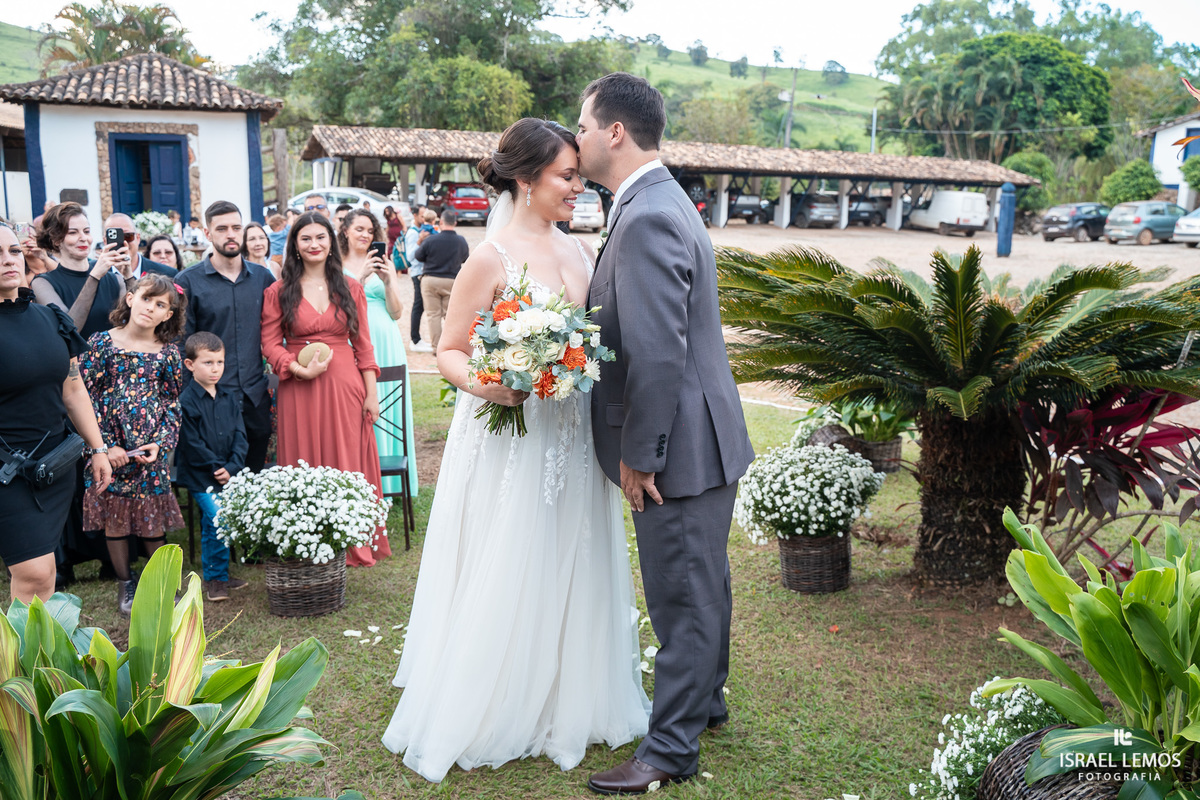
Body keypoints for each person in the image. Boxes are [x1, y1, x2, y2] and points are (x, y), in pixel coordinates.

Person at [381, 117, 650, 782]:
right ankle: (496, 697)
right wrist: (489, 384)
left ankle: (570, 696)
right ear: (527, 181)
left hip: (571, 430)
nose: (580, 190)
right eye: (567, 177)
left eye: (582, 178)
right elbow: (446, 350)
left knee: (572, 552)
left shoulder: (584, 253)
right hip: (511, 434)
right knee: (513, 552)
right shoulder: (489, 257)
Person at [576, 73, 755, 795]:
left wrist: (641, 455)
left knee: (681, 594)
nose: (578, 136)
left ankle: (670, 749)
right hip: (705, 433)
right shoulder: (660, 197)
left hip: (676, 442)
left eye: (584, 125)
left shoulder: (647, 213)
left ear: (615, 131)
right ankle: (704, 702)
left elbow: (657, 351)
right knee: (703, 581)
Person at [260, 212, 390, 567]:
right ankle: (308, 539)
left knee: (347, 460)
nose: (314, 244)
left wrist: (371, 394)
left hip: (345, 384)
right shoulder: (278, 291)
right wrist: (295, 368)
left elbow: (364, 347)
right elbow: (270, 344)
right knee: (303, 460)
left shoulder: (351, 288)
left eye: (320, 237)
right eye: (306, 239)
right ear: (295, 246)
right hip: (298, 387)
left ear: (331, 241)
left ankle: (350, 540)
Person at [0, 223, 112, 603]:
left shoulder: (50, 320)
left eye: (13, 251)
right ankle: (20, 661)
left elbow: (73, 387)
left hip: (54, 465)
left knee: (43, 575)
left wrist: (98, 449)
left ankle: (32, 659)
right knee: (34, 572)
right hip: (6, 471)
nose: (7, 260)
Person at [81, 273, 187, 614]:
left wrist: (160, 443)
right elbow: (86, 398)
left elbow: (172, 403)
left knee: (152, 523)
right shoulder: (100, 344)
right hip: (109, 452)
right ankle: (126, 584)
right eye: (146, 299)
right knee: (116, 521)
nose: (150, 308)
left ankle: (161, 584)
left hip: (149, 454)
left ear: (167, 315)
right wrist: (105, 446)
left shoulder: (168, 354)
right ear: (130, 299)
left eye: (160, 305)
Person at [175, 201, 277, 473]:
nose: (230, 234)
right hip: (211, 400)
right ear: (208, 234)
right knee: (217, 483)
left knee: (255, 479)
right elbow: (181, 346)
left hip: (254, 396)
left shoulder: (263, 278)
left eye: (236, 227)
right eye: (221, 229)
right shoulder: (188, 282)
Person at [339, 209, 418, 497]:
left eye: (370, 231)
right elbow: (337, 306)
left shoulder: (384, 262)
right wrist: (360, 277)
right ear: (345, 230)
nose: (365, 235)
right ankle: (362, 480)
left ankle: (392, 483)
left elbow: (396, 313)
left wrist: (386, 281)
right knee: (359, 405)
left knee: (390, 408)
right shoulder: (335, 264)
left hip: (386, 339)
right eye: (359, 229)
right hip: (351, 340)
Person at [177, 331, 250, 602]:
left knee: (217, 523)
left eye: (219, 362)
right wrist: (217, 467)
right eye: (208, 363)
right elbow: (191, 443)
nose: (215, 368)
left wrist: (232, 466)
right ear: (190, 365)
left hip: (227, 473)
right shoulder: (187, 402)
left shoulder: (230, 397)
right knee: (218, 519)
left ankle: (218, 575)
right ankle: (215, 580)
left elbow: (241, 436)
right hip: (201, 476)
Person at [30, 203, 130, 339]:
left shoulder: (114, 279)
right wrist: (94, 276)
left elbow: (134, 322)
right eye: (73, 232)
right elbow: (70, 329)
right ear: (56, 240)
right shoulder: (43, 283)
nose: (83, 238)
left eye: (86, 231)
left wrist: (128, 276)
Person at [414, 209, 469, 351]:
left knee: (433, 315)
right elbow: (465, 258)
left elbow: (419, 256)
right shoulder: (461, 241)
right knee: (449, 315)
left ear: (441, 222)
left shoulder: (431, 239)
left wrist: (420, 240)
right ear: (455, 223)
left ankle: (436, 348)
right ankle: (451, 348)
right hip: (451, 280)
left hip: (430, 280)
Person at [103, 213, 177, 279]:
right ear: (105, 241)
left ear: (138, 238)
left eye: (128, 236)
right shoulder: (94, 272)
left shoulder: (165, 274)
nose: (123, 243)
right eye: (114, 238)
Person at [405, 208, 433, 352]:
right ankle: (415, 339)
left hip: (423, 272)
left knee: (420, 306)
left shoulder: (422, 230)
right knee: (418, 305)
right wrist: (420, 241)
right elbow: (410, 257)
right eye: (422, 216)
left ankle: (417, 339)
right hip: (417, 272)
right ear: (415, 215)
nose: (424, 220)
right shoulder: (412, 233)